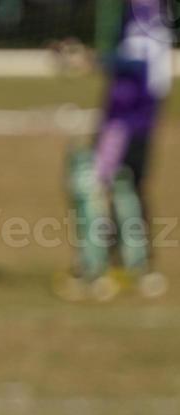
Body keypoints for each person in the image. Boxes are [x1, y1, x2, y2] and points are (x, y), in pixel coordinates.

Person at [61, 0, 172, 300]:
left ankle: (97, 270)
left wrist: (92, 60)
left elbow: (139, 61)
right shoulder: (150, 11)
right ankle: (133, 267)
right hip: (137, 117)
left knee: (97, 187)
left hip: (126, 120)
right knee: (127, 189)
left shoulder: (142, 10)